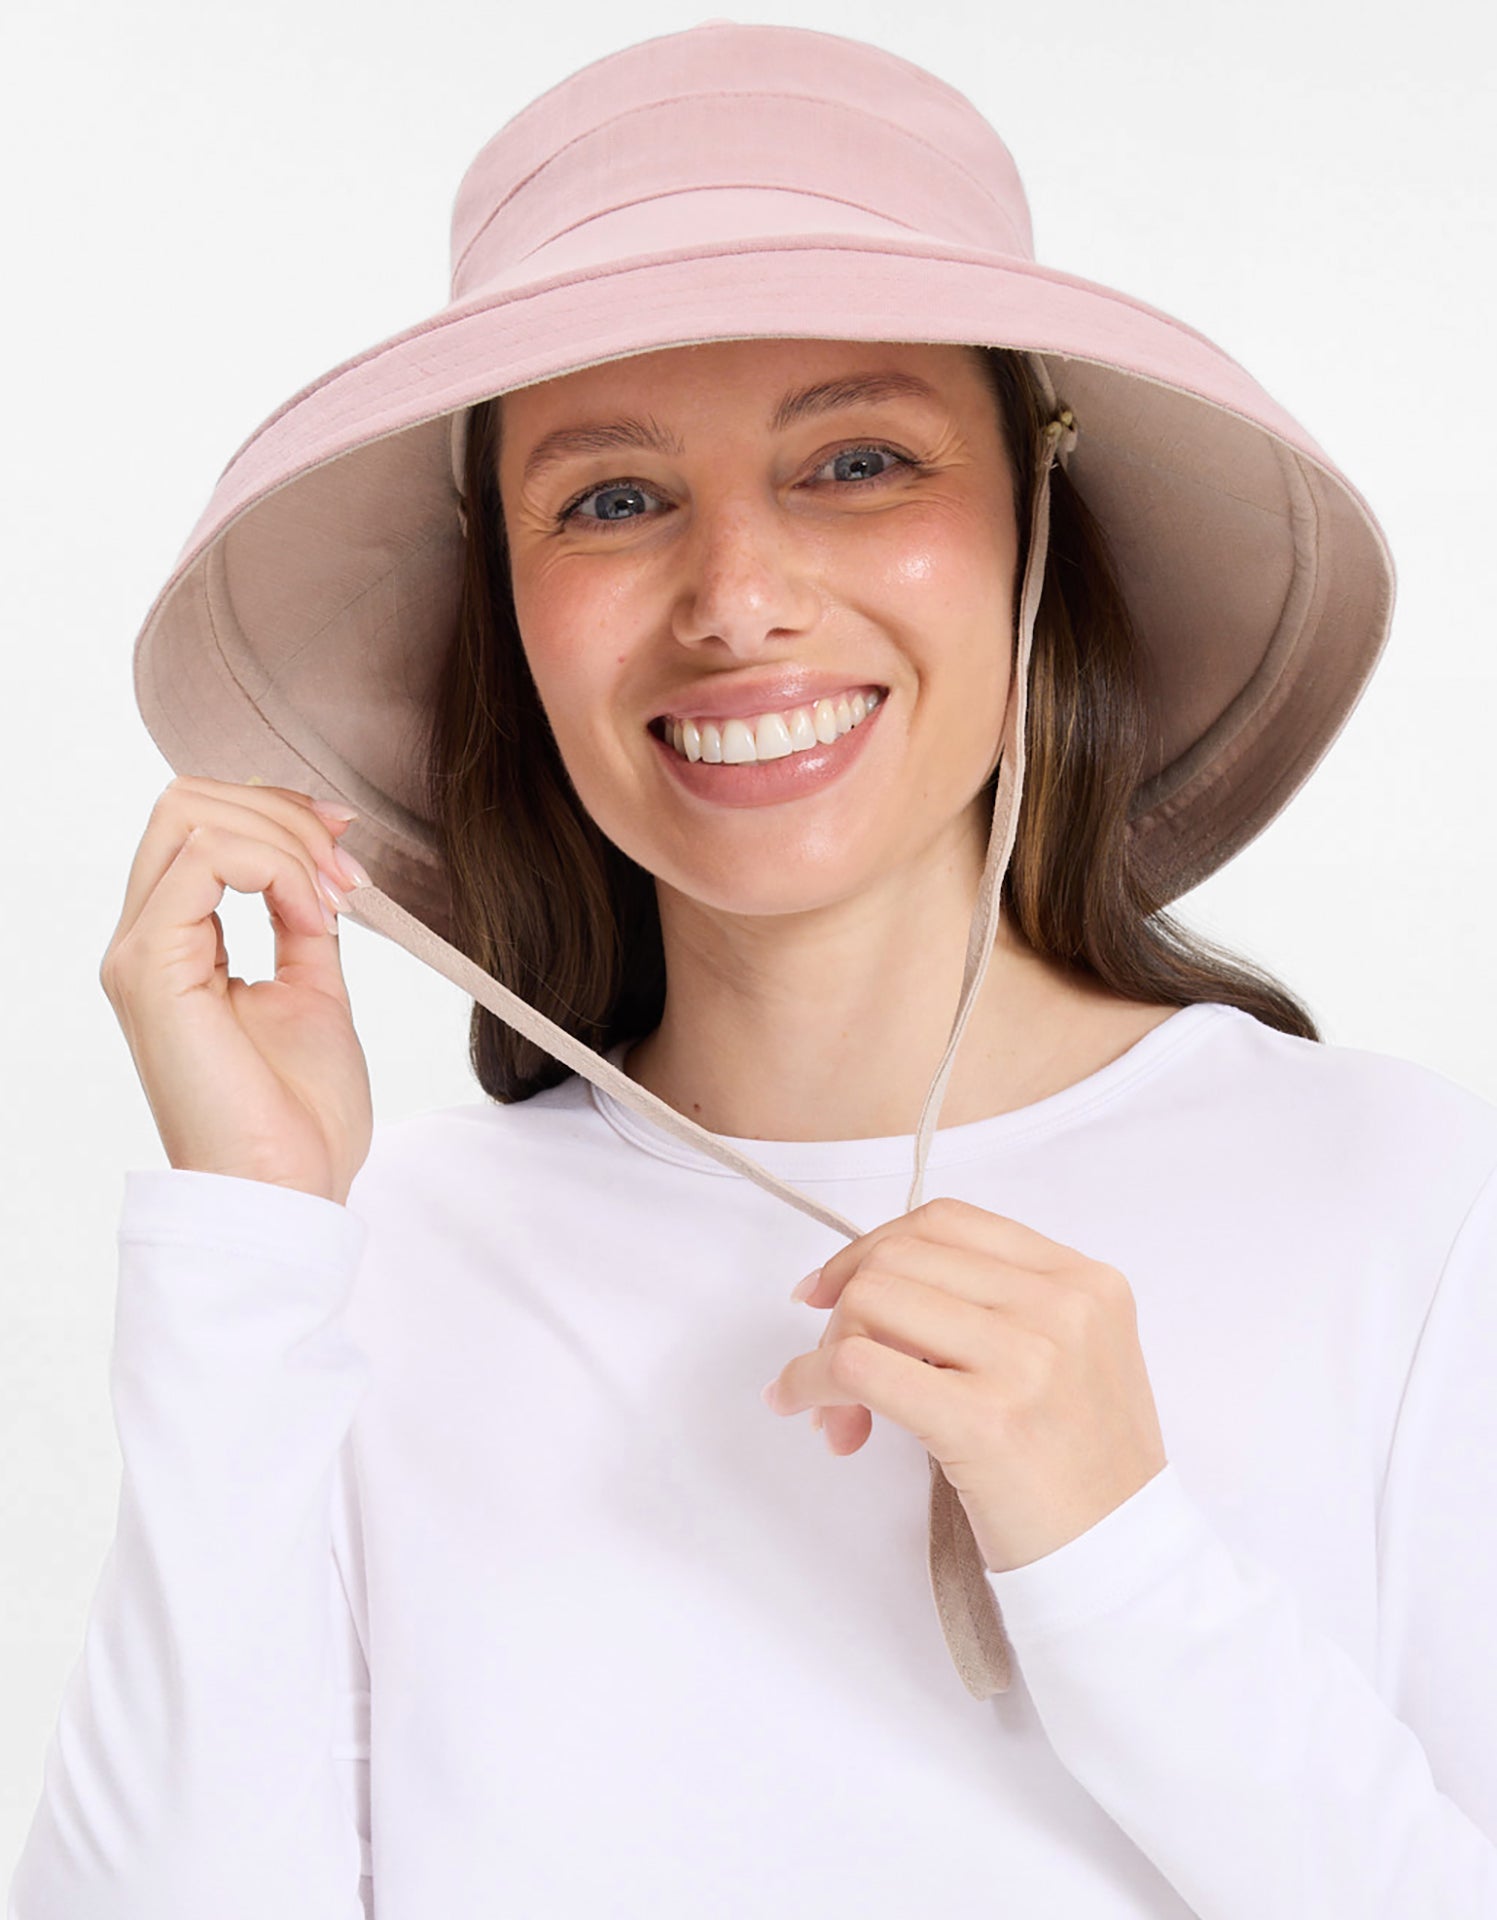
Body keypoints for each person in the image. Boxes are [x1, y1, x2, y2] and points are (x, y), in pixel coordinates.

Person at [9, 20, 1497, 1920]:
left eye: (858, 461)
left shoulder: (1401, 1201)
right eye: (611, 499)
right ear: (506, 604)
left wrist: (1115, 1554)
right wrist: (248, 1235)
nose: (735, 601)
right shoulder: (367, 1262)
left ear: (1035, 522)